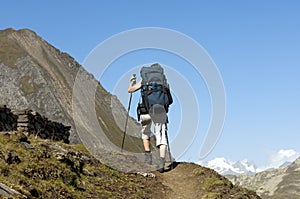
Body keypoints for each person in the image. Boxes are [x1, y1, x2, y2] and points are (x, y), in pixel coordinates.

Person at [128, 73, 168, 173]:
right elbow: (169, 100)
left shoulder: (144, 80)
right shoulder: (163, 82)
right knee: (161, 136)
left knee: (145, 132)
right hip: (159, 111)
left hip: (145, 111)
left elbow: (130, 90)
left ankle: (148, 156)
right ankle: (162, 163)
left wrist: (132, 82)